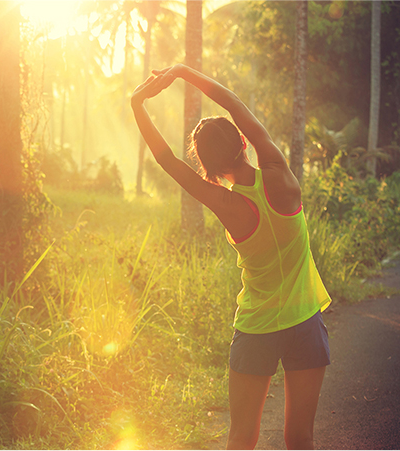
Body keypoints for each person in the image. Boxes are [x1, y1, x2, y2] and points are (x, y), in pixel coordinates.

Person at [131, 64, 332, 450]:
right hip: (305, 322)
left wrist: (137, 102)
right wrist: (182, 71)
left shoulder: (225, 203)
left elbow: (167, 161)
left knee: (240, 439)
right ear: (243, 140)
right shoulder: (279, 172)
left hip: (257, 329)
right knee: (300, 439)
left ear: (210, 169)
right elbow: (234, 103)